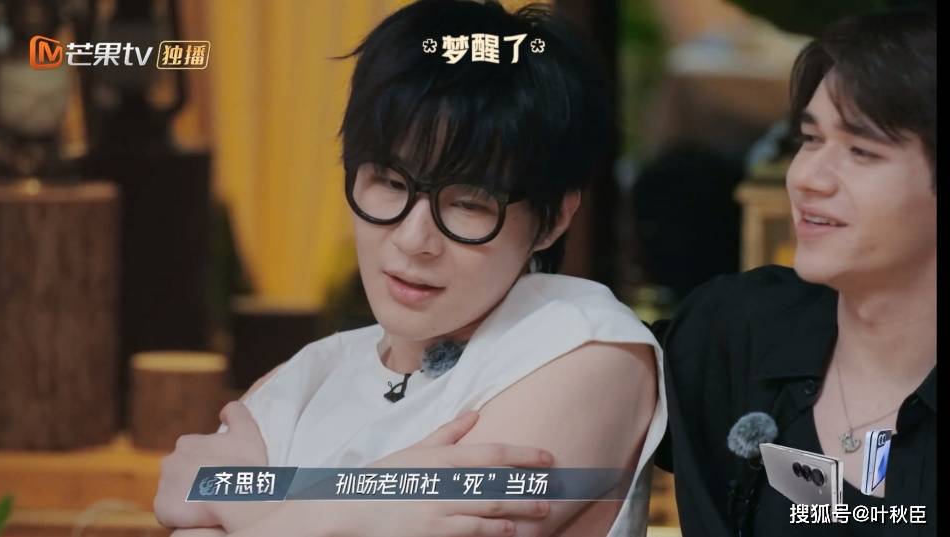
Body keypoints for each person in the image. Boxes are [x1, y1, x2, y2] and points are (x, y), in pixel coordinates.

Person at [154, 1, 665, 536]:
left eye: (468, 203)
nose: (414, 238)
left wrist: (290, 507)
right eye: (391, 183)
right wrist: (369, 509)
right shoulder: (305, 376)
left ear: (553, 218)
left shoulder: (586, 349)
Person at [651, 9, 936, 536]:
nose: (808, 178)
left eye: (861, 151)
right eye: (810, 138)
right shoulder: (738, 333)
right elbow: (559, 467)